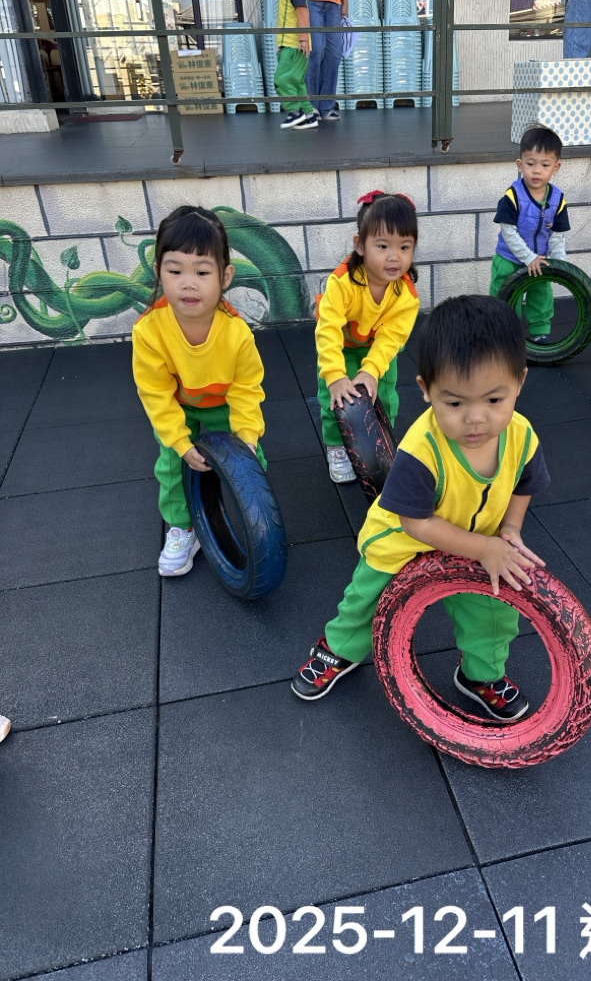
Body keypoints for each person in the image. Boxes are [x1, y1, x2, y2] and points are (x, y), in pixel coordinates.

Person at [292, 295, 550, 720]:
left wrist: (510, 530)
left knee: (495, 608)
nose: (475, 419)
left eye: (493, 400)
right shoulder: (422, 450)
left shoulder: (521, 436)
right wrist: (484, 548)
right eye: (455, 403)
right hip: (404, 538)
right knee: (367, 599)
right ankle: (339, 649)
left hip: (475, 539)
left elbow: (526, 484)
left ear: (519, 382)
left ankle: (481, 675)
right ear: (426, 389)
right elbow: (417, 523)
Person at [132, 206, 266, 577]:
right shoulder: (149, 331)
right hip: (180, 404)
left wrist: (247, 437)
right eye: (175, 271)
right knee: (172, 464)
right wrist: (181, 442)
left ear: (225, 276)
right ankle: (182, 528)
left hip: (223, 402)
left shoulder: (237, 333)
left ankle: (259, 521)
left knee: (251, 459)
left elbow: (246, 390)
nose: (188, 284)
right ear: (159, 272)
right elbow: (156, 394)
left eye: (202, 272)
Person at [316, 191, 419, 483]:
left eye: (404, 247)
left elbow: (391, 339)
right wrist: (335, 375)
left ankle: (383, 441)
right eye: (383, 246)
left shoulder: (406, 295)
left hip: (376, 348)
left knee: (385, 396)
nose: (394, 257)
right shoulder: (343, 283)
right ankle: (336, 446)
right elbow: (328, 330)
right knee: (337, 397)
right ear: (360, 245)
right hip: (342, 346)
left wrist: (371, 370)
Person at [489, 123, 569, 343]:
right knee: (505, 298)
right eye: (530, 163)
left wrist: (560, 263)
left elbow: (558, 235)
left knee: (541, 296)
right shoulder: (513, 195)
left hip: (540, 260)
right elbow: (508, 231)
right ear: (520, 164)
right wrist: (528, 258)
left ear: (556, 167)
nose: (537, 170)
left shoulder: (557, 199)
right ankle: (504, 336)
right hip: (510, 259)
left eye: (545, 164)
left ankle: (539, 333)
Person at [299, 0, 347, 121]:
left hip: (334, 3)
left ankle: (327, 106)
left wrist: (345, 1)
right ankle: (310, 106)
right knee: (316, 50)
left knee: (334, 54)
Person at [274, 0, 318, 130]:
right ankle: (309, 115)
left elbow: (302, 11)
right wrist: (282, 44)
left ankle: (295, 112)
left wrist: (303, 39)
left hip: (294, 45)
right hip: (292, 44)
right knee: (297, 82)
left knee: (281, 80)